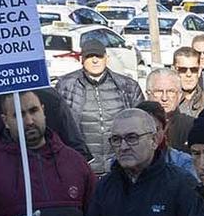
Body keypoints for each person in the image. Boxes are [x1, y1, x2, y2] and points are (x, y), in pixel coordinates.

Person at [58, 33, 144, 172]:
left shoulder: (127, 86)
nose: (95, 61)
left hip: (120, 167)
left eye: (98, 56)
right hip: (83, 168)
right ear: (81, 59)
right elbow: (60, 128)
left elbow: (141, 125)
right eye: (89, 56)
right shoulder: (66, 86)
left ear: (106, 59)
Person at [170, 45, 204, 147]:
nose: (188, 74)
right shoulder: (165, 103)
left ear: (199, 71)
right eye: (182, 70)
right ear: (174, 70)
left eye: (193, 69)